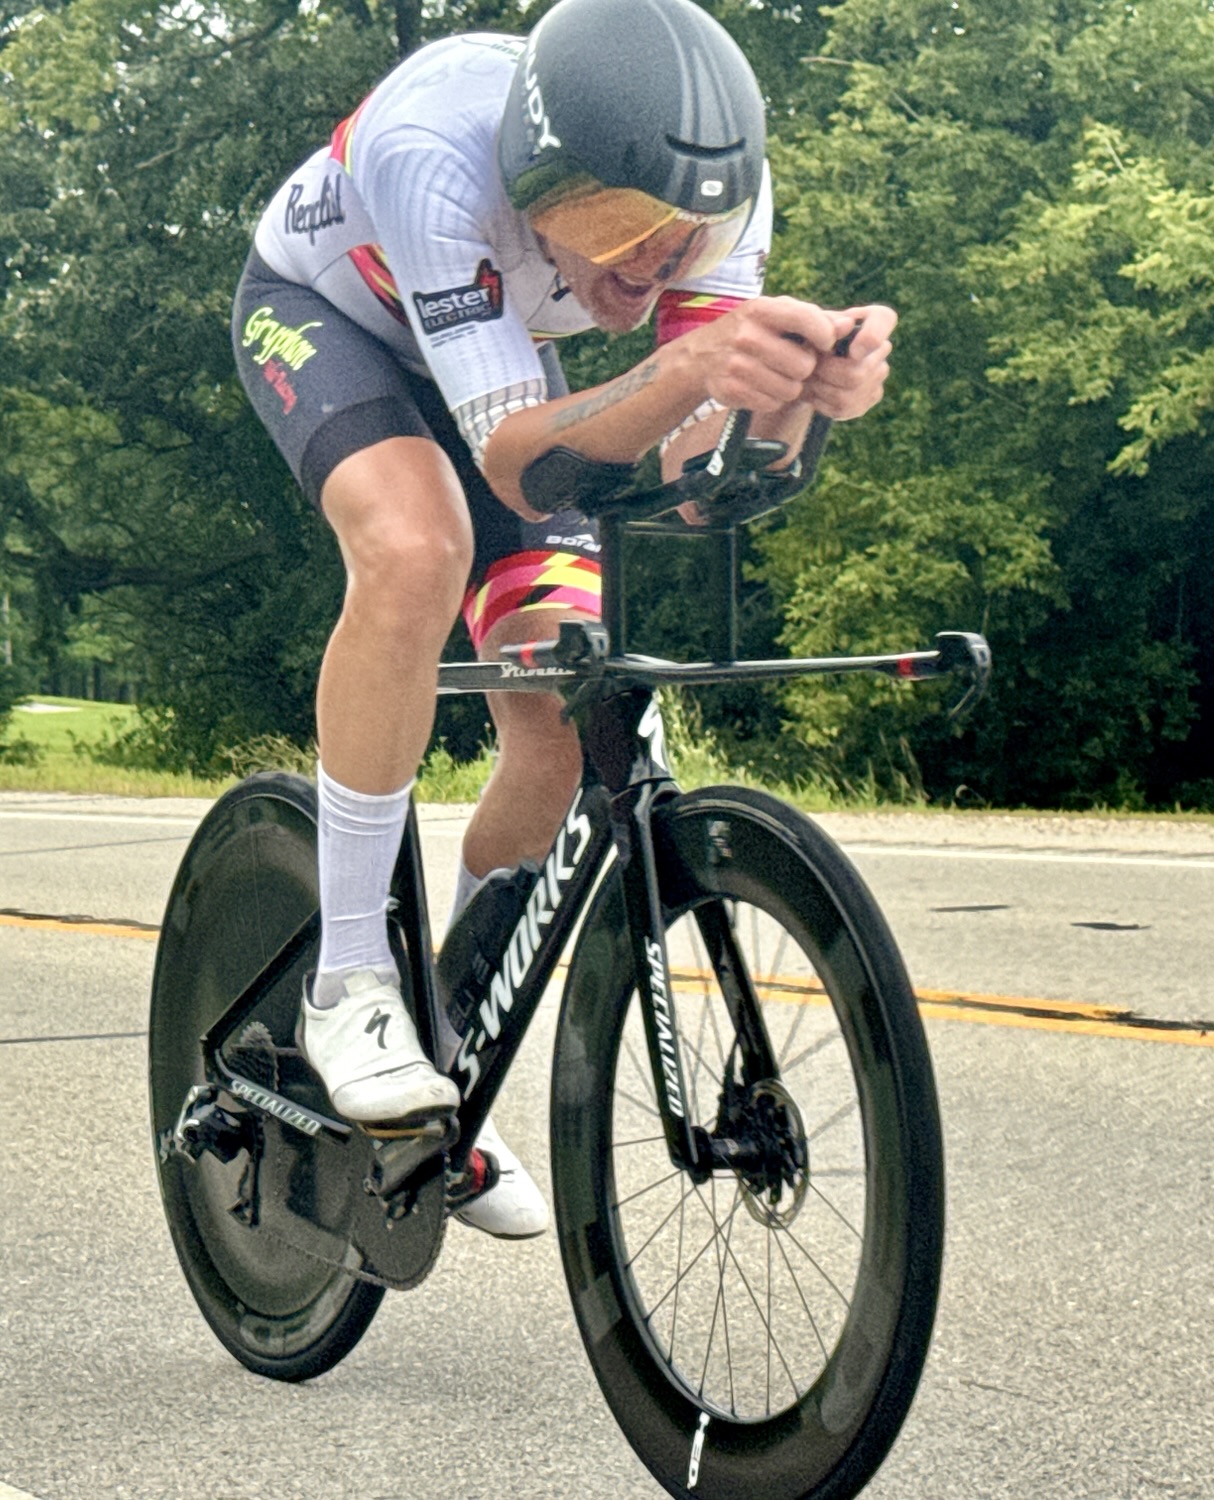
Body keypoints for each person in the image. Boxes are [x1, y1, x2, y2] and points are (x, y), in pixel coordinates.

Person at [231, 0, 895, 1238]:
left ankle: (445, 1047)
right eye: (611, 226)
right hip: (337, 326)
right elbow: (521, 471)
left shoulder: (719, 199)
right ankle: (348, 983)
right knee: (417, 548)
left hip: (502, 362)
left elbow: (689, 484)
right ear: (536, 175)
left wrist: (802, 393)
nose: (647, 266)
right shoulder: (432, 150)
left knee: (556, 700)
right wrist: (689, 367)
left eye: (681, 238)